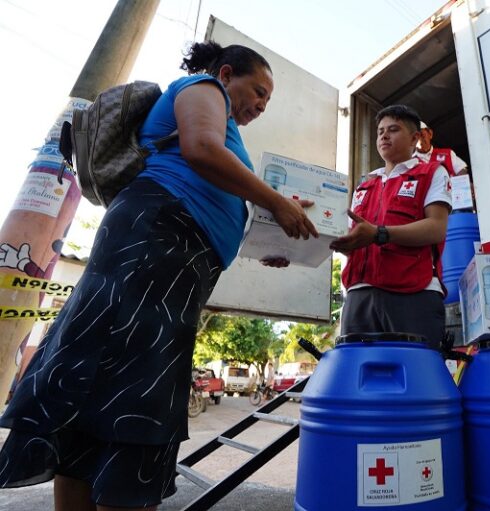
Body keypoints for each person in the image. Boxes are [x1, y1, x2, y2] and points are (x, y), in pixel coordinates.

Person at [0, 41, 317, 511]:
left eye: (267, 99)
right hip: (154, 242)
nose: (262, 105)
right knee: (132, 388)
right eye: (258, 91)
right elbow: (201, 149)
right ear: (226, 74)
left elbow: (217, 186)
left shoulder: (226, 125)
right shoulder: (203, 88)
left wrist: (270, 235)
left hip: (171, 254)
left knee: (104, 390)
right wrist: (274, 201)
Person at [330, 105, 452, 348]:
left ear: (415, 138)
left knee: (412, 368)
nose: (384, 136)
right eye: (380, 131)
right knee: (360, 369)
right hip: (358, 294)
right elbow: (355, 239)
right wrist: (341, 243)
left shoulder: (432, 173)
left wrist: (380, 234)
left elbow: (437, 227)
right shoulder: (364, 185)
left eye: (393, 130)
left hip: (413, 293)